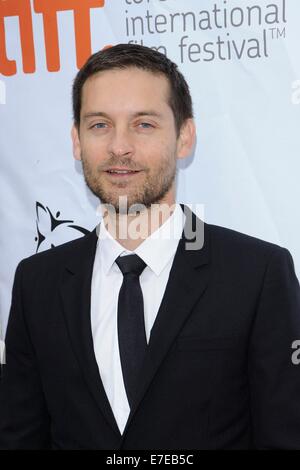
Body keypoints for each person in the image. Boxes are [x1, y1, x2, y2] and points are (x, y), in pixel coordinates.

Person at [0, 44, 300, 450]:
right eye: (100, 125)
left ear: (184, 137)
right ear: (76, 141)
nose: (119, 146)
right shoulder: (37, 282)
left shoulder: (257, 273)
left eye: (143, 124)